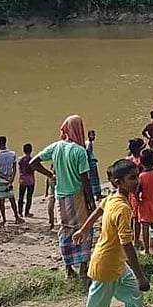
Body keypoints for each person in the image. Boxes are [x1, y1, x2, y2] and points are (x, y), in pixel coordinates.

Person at [75, 159, 150, 307]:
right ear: (118, 182)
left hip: (118, 263)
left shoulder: (112, 197)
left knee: (135, 295)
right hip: (106, 265)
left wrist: (83, 230)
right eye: (131, 178)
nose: (136, 181)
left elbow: (98, 210)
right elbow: (127, 244)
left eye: (137, 176)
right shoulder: (122, 208)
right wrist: (140, 276)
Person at [36, 115, 97, 279]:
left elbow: (33, 162)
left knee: (65, 231)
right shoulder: (80, 151)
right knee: (84, 229)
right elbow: (85, 179)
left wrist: (51, 175)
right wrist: (91, 202)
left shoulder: (56, 147)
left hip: (60, 197)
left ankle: (68, 268)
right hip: (77, 196)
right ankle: (83, 267)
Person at [0, 135, 24, 224]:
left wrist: (4, 177)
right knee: (12, 198)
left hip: (0, 181)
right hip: (9, 180)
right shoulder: (13, 154)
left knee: (1, 201)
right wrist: (11, 178)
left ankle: (4, 219)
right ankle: (16, 217)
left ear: (0, 144)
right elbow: (14, 168)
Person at [18, 143, 37, 218]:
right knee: (29, 197)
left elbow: (19, 168)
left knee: (21, 197)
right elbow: (34, 169)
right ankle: (27, 212)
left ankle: (20, 212)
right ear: (31, 150)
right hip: (30, 180)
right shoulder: (32, 160)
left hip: (22, 179)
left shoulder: (20, 159)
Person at [86, 129, 103, 199]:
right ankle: (97, 194)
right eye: (92, 135)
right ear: (89, 136)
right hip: (91, 162)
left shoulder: (86, 142)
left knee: (92, 178)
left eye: (94, 135)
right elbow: (87, 151)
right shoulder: (89, 143)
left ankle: (94, 193)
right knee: (95, 178)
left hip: (90, 162)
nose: (94, 137)